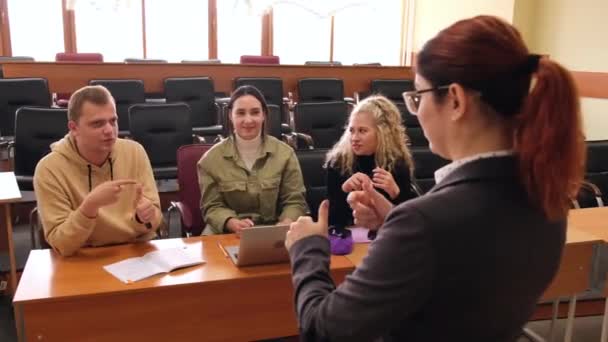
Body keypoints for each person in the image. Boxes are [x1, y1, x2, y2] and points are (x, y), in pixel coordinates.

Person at [284, 15, 585, 341]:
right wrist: (392, 219)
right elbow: (459, 271)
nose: (417, 110)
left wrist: (307, 248)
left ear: (455, 100)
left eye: (417, 96)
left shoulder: (424, 224)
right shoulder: (549, 197)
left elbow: (322, 330)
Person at [34, 85, 163, 257]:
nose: (110, 130)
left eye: (113, 121)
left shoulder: (134, 152)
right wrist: (89, 207)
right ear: (74, 128)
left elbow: (155, 220)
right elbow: (61, 243)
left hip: (135, 250)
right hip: (84, 256)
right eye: (97, 124)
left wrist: (144, 218)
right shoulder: (49, 169)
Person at [198, 85, 308, 235]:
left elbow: (295, 201)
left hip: (275, 229)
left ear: (264, 115)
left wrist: (285, 223)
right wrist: (230, 222)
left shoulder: (285, 154)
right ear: (231, 115)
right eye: (241, 113)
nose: (248, 120)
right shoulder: (210, 160)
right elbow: (212, 206)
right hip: (227, 232)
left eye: (255, 112)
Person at [325, 95, 417, 238]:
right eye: (351, 130)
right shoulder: (338, 162)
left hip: (389, 238)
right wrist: (344, 191)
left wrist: (397, 193)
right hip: (351, 241)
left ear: (382, 133)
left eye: (362, 131)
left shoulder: (397, 162)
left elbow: (412, 221)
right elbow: (333, 221)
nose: (354, 138)